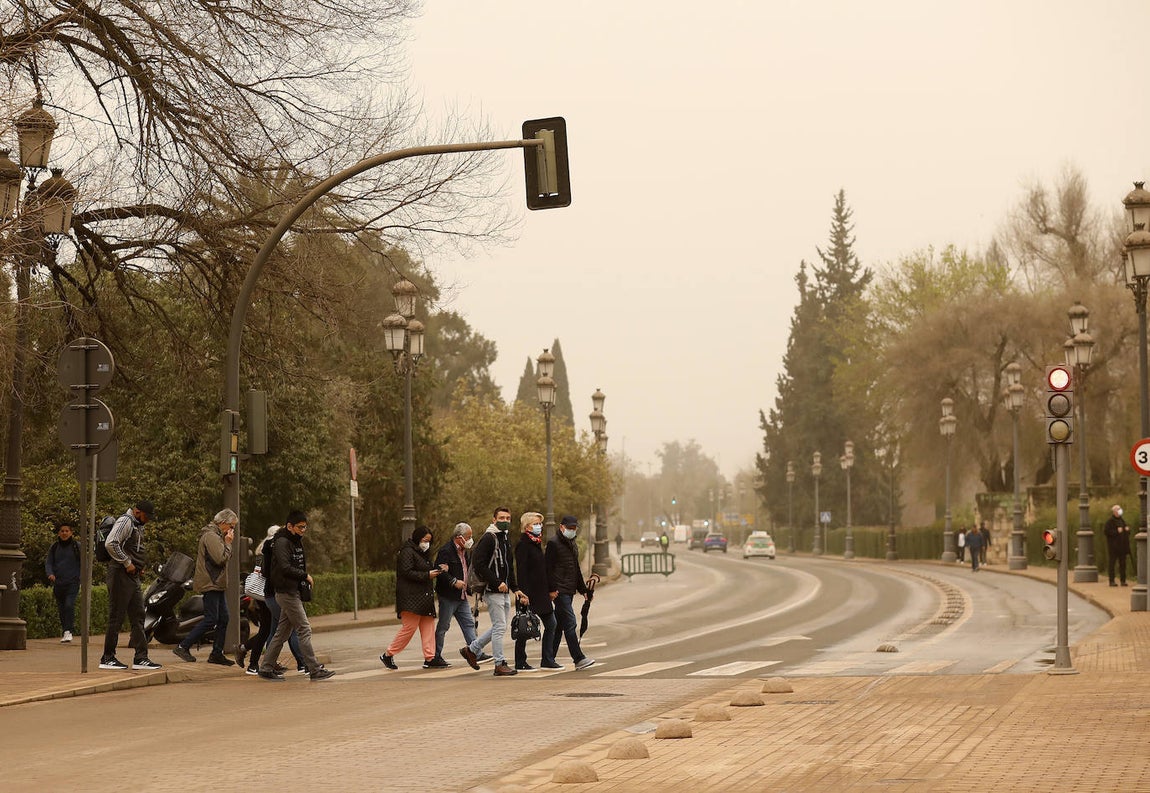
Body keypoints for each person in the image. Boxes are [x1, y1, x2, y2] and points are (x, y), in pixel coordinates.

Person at [257, 512, 335, 681]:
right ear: (289, 526)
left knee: (282, 633)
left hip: (290, 591)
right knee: (304, 628)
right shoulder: (283, 542)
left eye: (305, 527)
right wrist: (304, 576)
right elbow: (285, 567)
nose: (303, 530)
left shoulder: (293, 541)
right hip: (286, 592)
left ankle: (266, 667)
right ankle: (314, 669)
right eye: (300, 527)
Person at [460, 506, 524, 677]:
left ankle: (471, 650)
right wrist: (496, 582)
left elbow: (509, 566)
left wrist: (515, 588)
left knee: (499, 626)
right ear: (494, 520)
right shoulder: (489, 538)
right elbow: (479, 564)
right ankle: (499, 663)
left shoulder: (504, 538)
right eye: (501, 518)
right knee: (500, 626)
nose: (505, 521)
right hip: (492, 590)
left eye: (508, 518)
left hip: (503, 591)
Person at [101, 500, 162, 670]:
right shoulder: (125, 521)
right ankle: (107, 657)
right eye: (146, 516)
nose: (148, 520)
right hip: (120, 574)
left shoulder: (137, 525)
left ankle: (141, 657)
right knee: (116, 617)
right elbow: (111, 543)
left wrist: (136, 567)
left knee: (138, 616)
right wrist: (127, 562)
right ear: (137, 511)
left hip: (131, 576)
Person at [173, 509, 237, 665]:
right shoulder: (211, 536)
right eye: (231, 526)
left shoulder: (216, 535)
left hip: (216, 583)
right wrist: (228, 543)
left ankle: (216, 653)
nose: (232, 530)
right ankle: (183, 646)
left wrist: (226, 544)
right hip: (211, 582)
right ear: (222, 523)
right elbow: (220, 559)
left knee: (224, 618)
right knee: (211, 619)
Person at [380, 526, 443, 670]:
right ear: (417, 538)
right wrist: (427, 575)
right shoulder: (407, 552)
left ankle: (430, 657)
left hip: (424, 596)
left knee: (428, 626)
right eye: (424, 540)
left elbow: (424, 568)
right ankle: (388, 654)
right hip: (410, 597)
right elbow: (406, 572)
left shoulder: (423, 553)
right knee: (409, 627)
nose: (426, 543)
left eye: (428, 541)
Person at [546, 515, 595, 670]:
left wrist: (584, 590)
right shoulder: (553, 544)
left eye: (574, 528)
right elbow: (548, 569)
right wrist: (552, 589)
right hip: (560, 591)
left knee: (560, 625)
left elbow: (576, 569)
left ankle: (548, 658)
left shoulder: (572, 543)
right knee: (570, 622)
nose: (572, 531)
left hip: (569, 589)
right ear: (562, 527)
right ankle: (578, 658)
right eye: (569, 528)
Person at [513, 511, 559, 671]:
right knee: (524, 628)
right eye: (535, 524)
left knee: (551, 624)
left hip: (541, 594)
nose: (539, 526)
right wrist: (523, 594)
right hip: (529, 594)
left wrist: (551, 589)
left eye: (540, 523)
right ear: (526, 526)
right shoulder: (523, 545)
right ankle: (520, 662)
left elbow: (543, 569)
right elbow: (522, 571)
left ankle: (547, 659)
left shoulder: (536, 542)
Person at [258, 525, 306, 674]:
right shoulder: (275, 549)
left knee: (277, 631)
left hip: (273, 594)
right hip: (279, 593)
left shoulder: (269, 548)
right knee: (298, 629)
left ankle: (266, 665)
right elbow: (276, 572)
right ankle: (306, 664)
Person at [431, 522, 478, 668]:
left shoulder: (465, 551)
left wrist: (470, 587)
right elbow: (439, 571)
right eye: (468, 537)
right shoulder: (446, 551)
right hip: (449, 596)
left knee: (469, 624)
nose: (470, 539)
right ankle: (435, 657)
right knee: (443, 626)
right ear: (459, 537)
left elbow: (466, 569)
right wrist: (453, 581)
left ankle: (475, 651)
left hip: (461, 596)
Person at [235, 525, 279, 675]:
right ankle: (253, 661)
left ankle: (259, 659)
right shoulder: (270, 549)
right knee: (268, 629)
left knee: (268, 629)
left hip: (261, 594)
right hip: (267, 594)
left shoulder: (262, 549)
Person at [45, 520, 80, 643]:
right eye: (62, 531)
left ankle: (68, 631)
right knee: (61, 608)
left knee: (69, 605)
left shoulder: (77, 546)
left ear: (71, 533)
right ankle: (65, 630)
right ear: (59, 533)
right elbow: (49, 562)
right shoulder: (54, 547)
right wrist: (50, 574)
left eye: (67, 531)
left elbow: (84, 563)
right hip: (59, 583)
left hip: (72, 582)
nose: (64, 533)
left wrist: (80, 577)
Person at [1104, 504, 1132, 587]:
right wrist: (1116, 531)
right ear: (1114, 511)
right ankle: (1111, 581)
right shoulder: (1110, 521)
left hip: (1122, 547)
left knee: (1123, 564)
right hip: (1113, 547)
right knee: (1112, 563)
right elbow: (1106, 532)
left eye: (1120, 509)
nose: (1120, 511)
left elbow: (1126, 532)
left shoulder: (1122, 520)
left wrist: (1127, 530)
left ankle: (1123, 580)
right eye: (1118, 509)